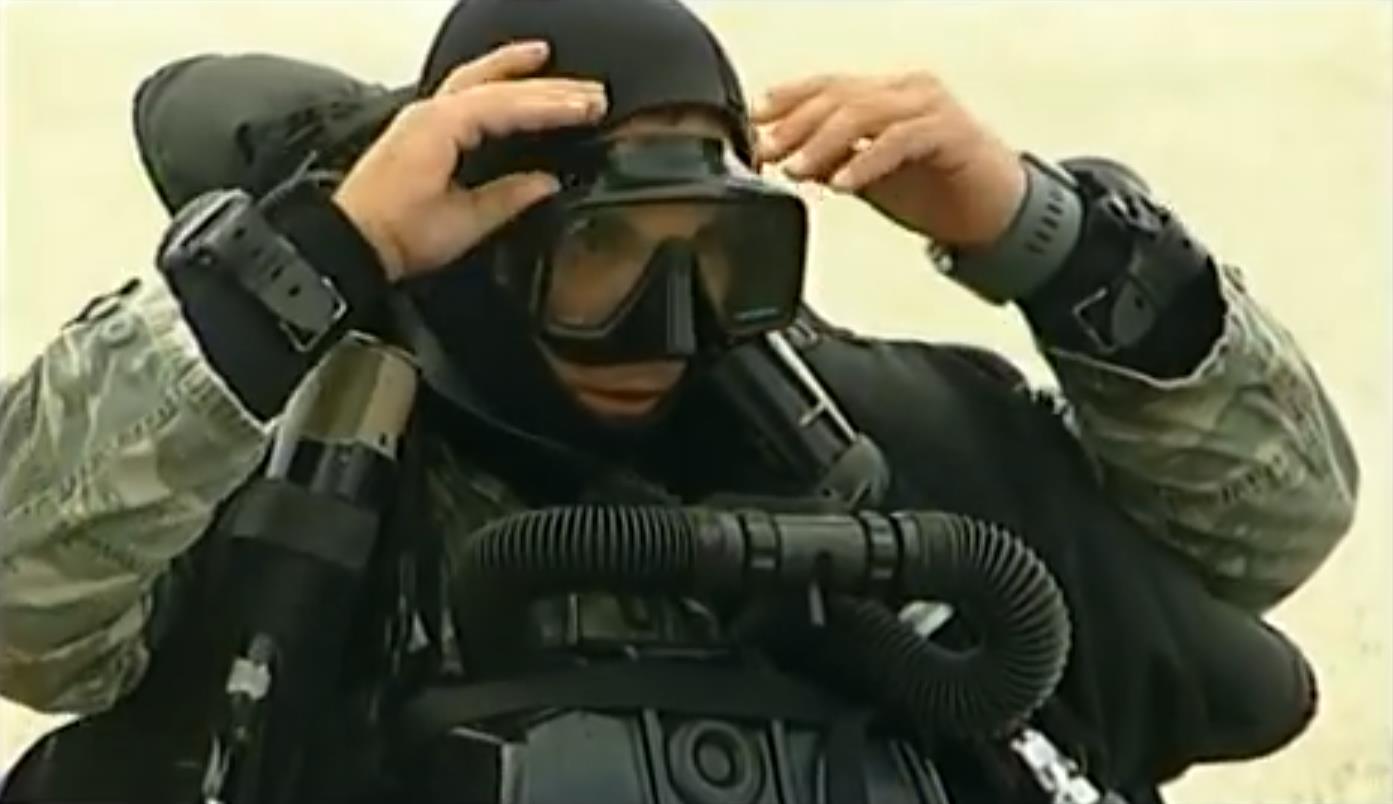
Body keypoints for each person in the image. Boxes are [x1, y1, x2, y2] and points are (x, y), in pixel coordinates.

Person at [0, 0, 1358, 802]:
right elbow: (22, 604)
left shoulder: (881, 457)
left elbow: (1272, 530)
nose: (669, 323)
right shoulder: (291, 481)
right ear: (486, 241)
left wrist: (1049, 239)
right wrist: (316, 264)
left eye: (719, 256)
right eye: (605, 254)